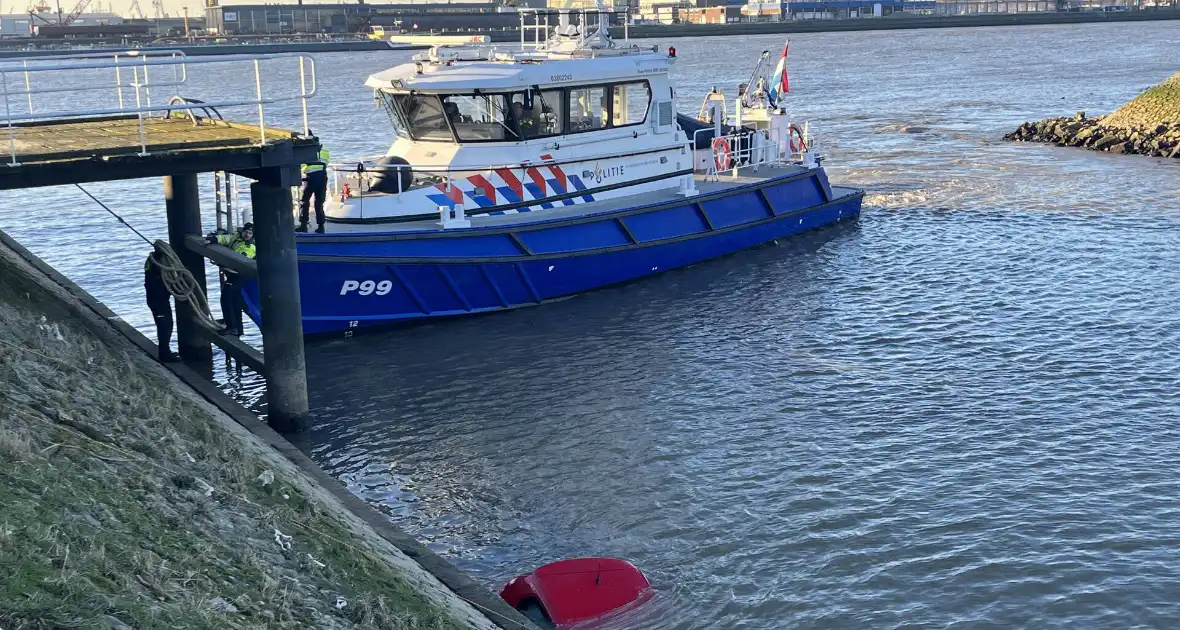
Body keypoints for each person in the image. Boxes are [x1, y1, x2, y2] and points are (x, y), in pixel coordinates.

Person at [206, 223, 256, 336]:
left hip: (239, 274)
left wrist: (223, 262)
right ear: (242, 231)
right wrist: (215, 238)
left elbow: (239, 259)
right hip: (233, 273)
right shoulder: (237, 237)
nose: (247, 235)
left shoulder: (250, 247)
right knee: (235, 300)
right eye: (246, 232)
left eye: (250, 233)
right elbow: (226, 238)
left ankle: (232, 326)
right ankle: (237, 327)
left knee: (226, 298)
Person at [144, 248, 180, 363]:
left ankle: (165, 351)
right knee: (165, 326)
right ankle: (164, 354)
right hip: (158, 301)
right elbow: (166, 282)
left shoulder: (150, 262)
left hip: (156, 299)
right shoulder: (157, 272)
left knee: (165, 325)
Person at [298, 130, 331, 234]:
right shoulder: (324, 148)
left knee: (304, 201)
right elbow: (326, 162)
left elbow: (301, 165)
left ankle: (303, 225)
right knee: (319, 203)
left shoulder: (306, 150)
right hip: (322, 176)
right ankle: (321, 227)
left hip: (310, 178)